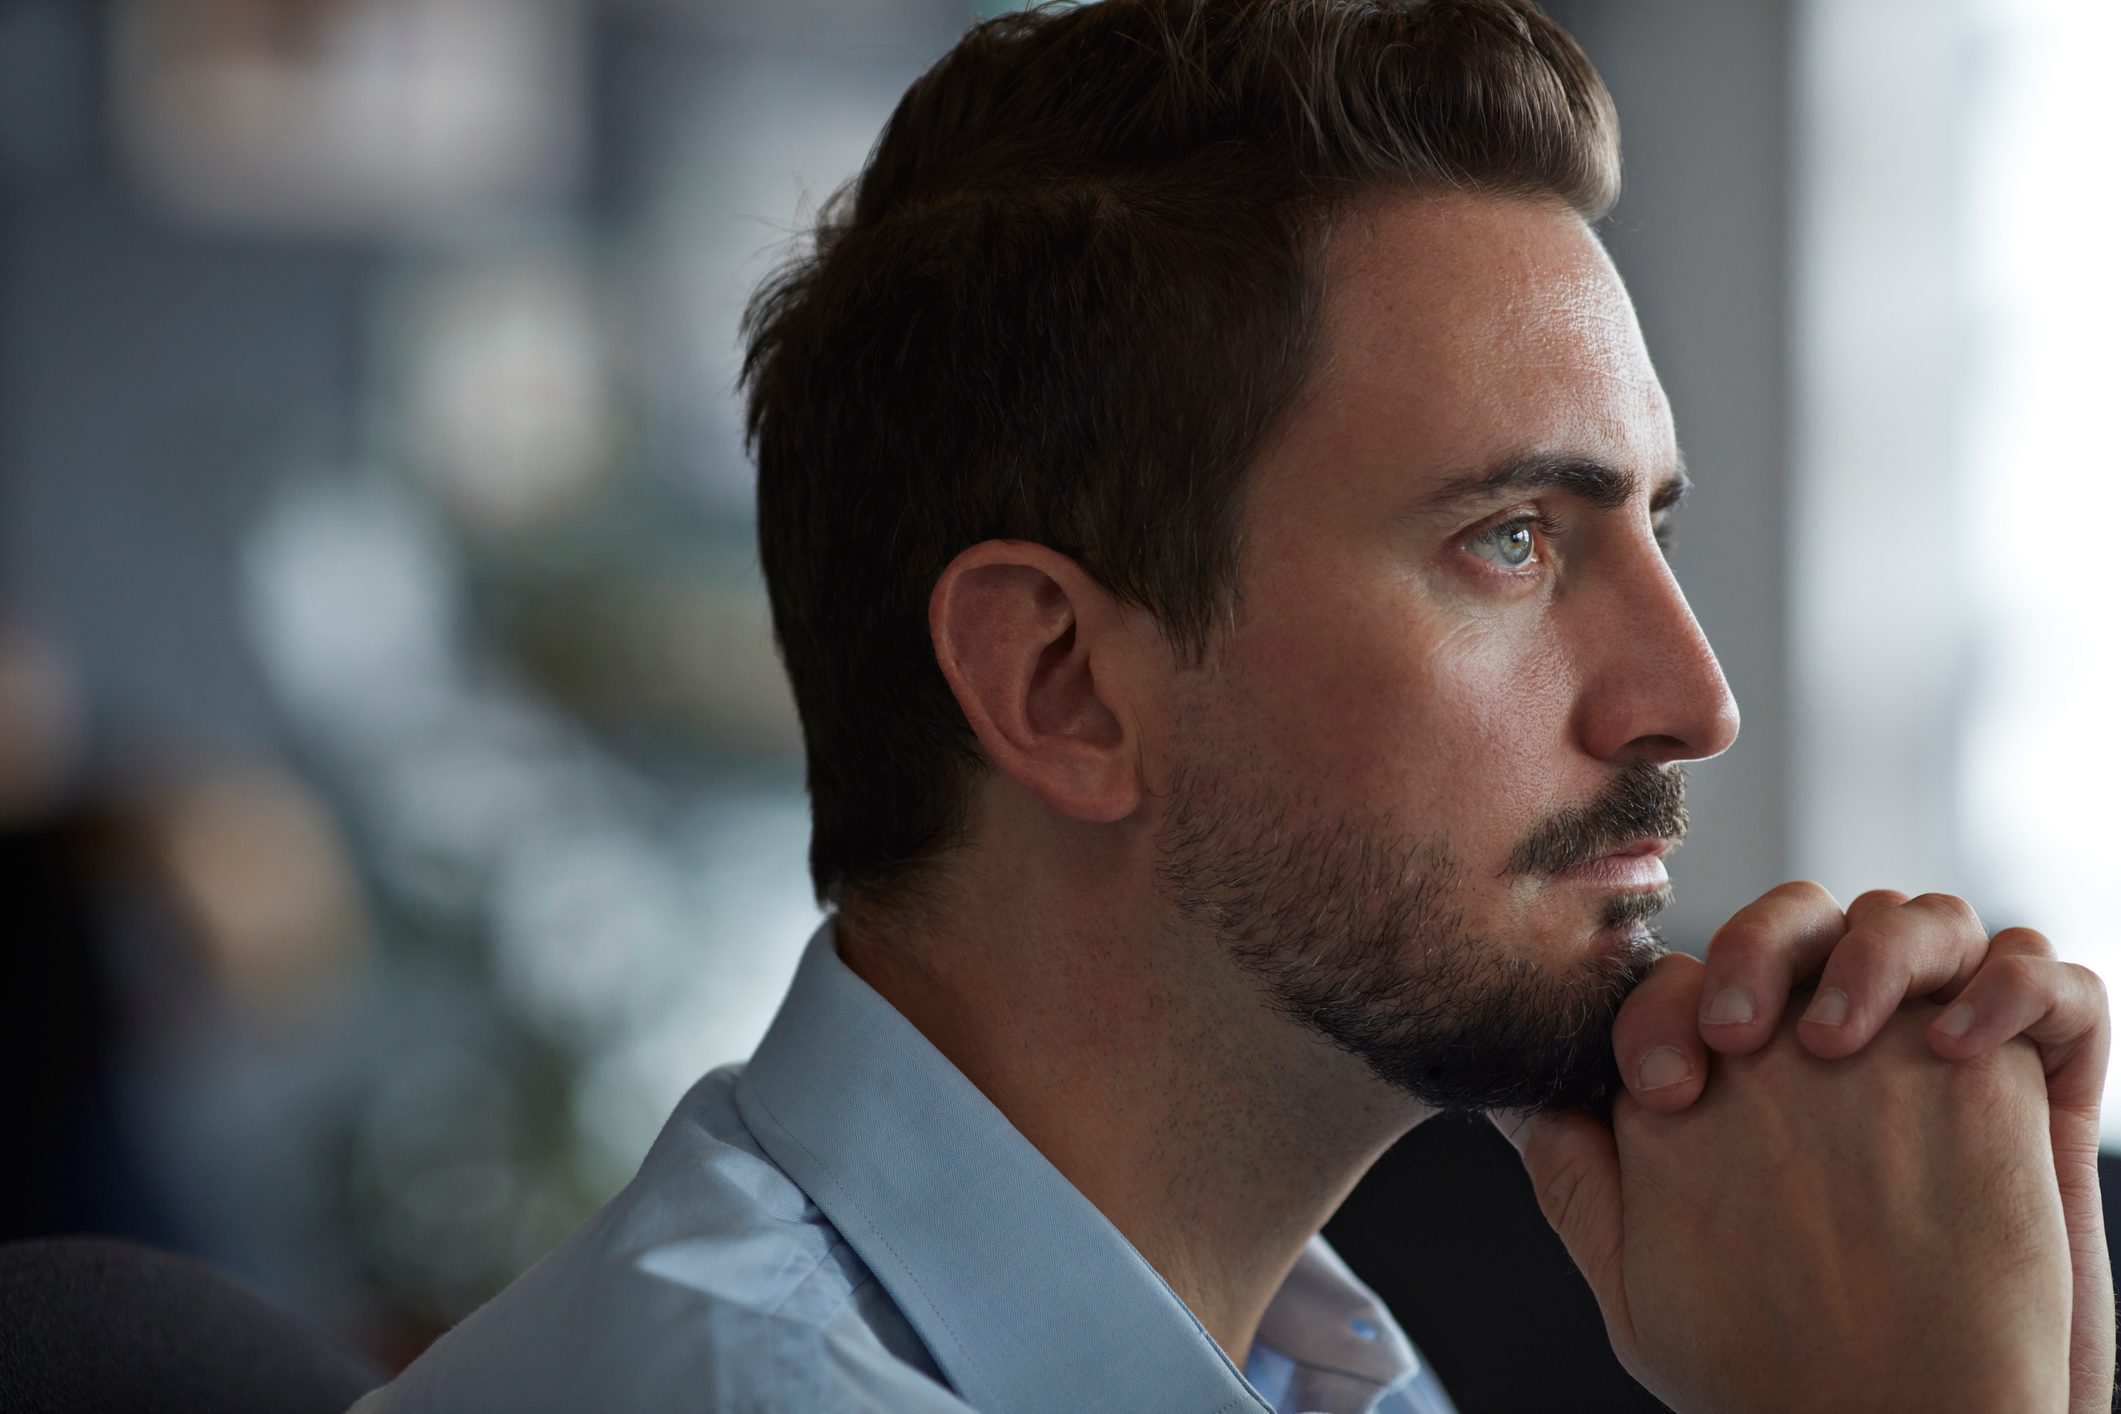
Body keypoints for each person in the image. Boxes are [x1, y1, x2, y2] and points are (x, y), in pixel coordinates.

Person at [349, 1, 2113, 1410]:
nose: (1692, 698)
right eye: (1510, 538)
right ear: (1062, 686)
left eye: (1646, 529)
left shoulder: (1300, 1365)